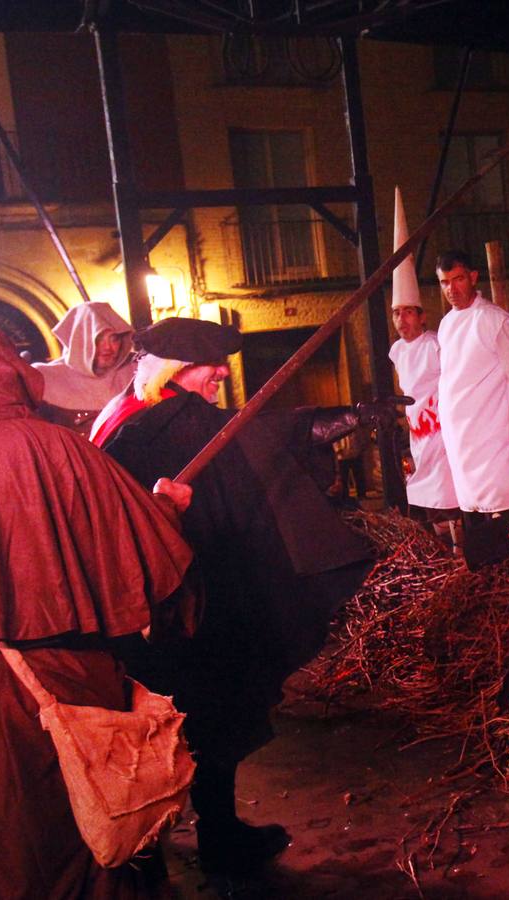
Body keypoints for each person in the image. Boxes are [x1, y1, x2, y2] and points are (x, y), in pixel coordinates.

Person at [0, 316, 194, 899]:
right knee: (78, 852)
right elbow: (156, 579)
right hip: (58, 701)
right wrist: (167, 512)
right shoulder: (52, 450)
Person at [94, 316, 385, 875]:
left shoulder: (123, 420)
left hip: (145, 609)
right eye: (211, 366)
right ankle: (216, 837)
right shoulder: (178, 424)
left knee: (161, 720)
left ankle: (151, 841)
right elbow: (270, 437)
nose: (222, 374)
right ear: (179, 371)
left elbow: (259, 432)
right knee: (211, 717)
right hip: (199, 606)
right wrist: (341, 420)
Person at [434, 249, 509, 568]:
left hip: (497, 454)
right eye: (445, 282)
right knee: (482, 563)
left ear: (473, 277)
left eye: (458, 279)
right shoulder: (446, 326)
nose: (452, 289)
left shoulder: (494, 321)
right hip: (464, 460)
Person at [386, 187, 460, 526]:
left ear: (422, 315)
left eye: (408, 313)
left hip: (443, 432)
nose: (402, 320)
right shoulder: (397, 351)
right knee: (426, 501)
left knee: (450, 495)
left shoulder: (435, 344)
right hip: (420, 434)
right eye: (397, 313)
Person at [31, 301, 136, 436]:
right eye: (98, 339)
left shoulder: (136, 370)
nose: (108, 347)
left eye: (114, 339)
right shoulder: (43, 377)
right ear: (79, 340)